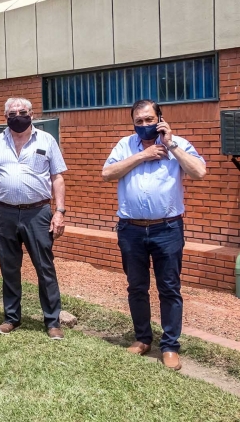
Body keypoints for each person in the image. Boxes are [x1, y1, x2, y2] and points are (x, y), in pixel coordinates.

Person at [102, 99, 206, 371]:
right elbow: (107, 173)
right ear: (133, 123)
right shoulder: (125, 146)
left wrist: (170, 144)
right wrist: (142, 156)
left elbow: (199, 171)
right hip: (131, 229)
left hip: (167, 228)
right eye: (139, 121)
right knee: (137, 287)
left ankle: (170, 345)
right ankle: (142, 339)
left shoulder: (178, 144)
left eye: (150, 120)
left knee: (169, 288)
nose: (145, 125)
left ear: (160, 118)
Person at [0, 97, 67, 340]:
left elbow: (57, 177)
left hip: (38, 213)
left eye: (22, 111)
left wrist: (59, 211)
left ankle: (52, 321)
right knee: (9, 268)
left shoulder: (46, 140)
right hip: (4, 212)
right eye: (12, 112)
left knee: (45, 268)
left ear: (32, 113)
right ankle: (11, 318)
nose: (17, 116)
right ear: (5, 116)